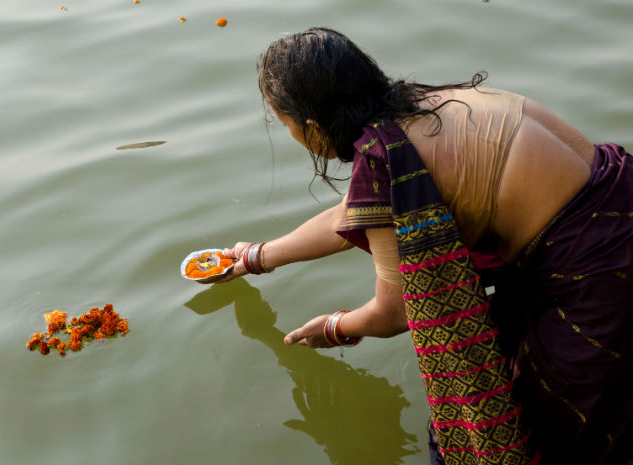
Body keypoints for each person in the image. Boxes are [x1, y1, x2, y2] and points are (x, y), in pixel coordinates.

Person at [213, 27, 632, 465]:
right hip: (619, 200)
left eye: (287, 125)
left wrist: (336, 327)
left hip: (595, 269)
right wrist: (256, 257)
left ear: (313, 128)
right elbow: (349, 216)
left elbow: (394, 313)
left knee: (544, 439)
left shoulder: (383, 159)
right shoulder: (430, 104)